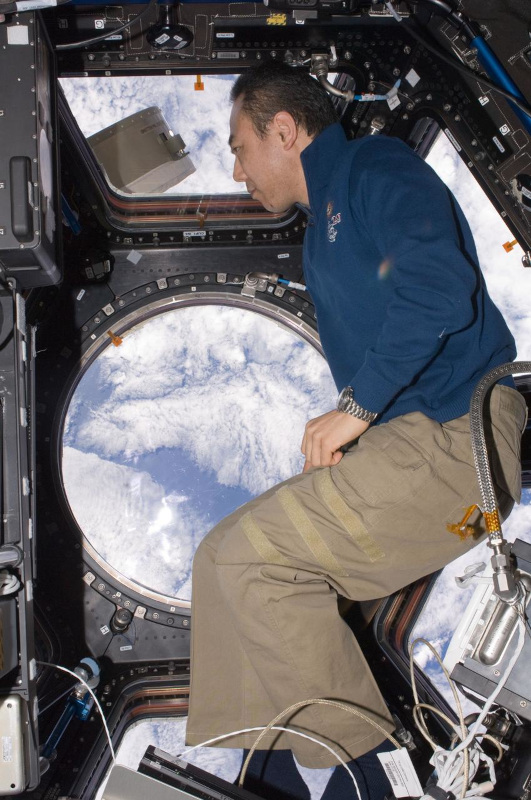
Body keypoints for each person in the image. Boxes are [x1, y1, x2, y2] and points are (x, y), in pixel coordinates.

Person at [185, 62, 527, 800]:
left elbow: (439, 287)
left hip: (454, 438)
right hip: (417, 452)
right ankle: (279, 779)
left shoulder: (373, 164)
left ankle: (369, 784)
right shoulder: (319, 235)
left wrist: (356, 407)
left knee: (250, 559)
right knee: (223, 565)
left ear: (285, 129)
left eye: (239, 145)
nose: (236, 167)